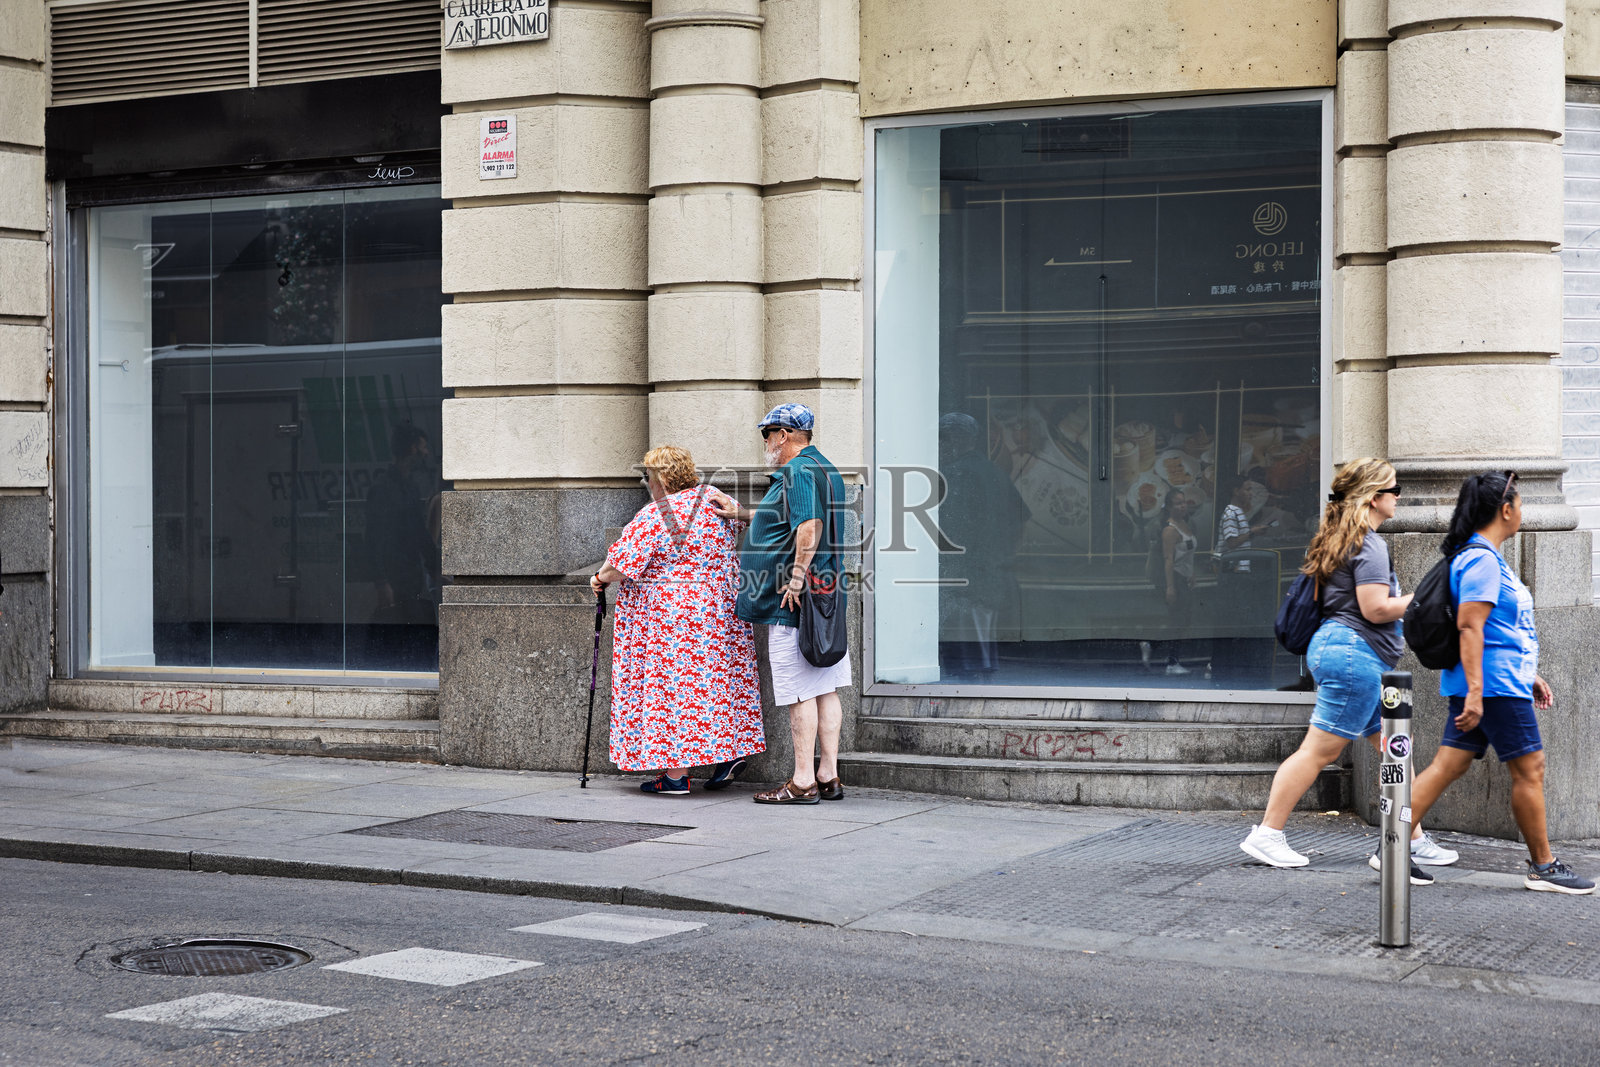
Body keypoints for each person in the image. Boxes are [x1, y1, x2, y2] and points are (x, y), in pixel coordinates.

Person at [1240, 458, 1441, 883]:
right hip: (1354, 658)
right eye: (1394, 488)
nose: (1399, 495)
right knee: (1319, 751)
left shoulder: (1340, 537)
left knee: (1392, 747)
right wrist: (1425, 599)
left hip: (1347, 654)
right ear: (1374, 497)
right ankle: (1268, 832)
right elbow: (1375, 608)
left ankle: (1413, 835)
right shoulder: (1368, 544)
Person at [1406, 471, 1594, 894]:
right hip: (1491, 689)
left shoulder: (1482, 556)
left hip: (1495, 683)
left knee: (1446, 766)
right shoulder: (1482, 560)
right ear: (1505, 510)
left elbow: (1498, 632)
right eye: (1521, 505)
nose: (1523, 512)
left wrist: (1529, 675)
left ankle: (1393, 843)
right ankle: (1544, 867)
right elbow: (1471, 627)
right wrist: (1477, 693)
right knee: (1530, 769)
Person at [590, 446, 764, 796]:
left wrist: (598, 578)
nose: (646, 484)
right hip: (721, 613)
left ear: (663, 479)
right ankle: (729, 753)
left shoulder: (657, 514)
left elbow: (620, 565)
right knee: (719, 681)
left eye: (648, 477)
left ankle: (675, 776)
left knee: (674, 689)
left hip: (674, 622)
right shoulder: (715, 498)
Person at [712, 403, 851, 805]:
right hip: (825, 594)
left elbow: (808, 526)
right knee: (826, 686)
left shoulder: (795, 471)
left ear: (784, 434)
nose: (767, 442)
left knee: (799, 692)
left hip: (794, 600)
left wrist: (794, 576)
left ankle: (803, 781)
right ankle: (829, 775)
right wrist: (745, 513)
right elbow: (791, 516)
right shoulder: (822, 467)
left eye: (767, 434)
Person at [1157, 488, 1198, 676]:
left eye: (1184, 501)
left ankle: (1166, 656)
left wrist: (1192, 574)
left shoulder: (1184, 524)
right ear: (1170, 507)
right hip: (1176, 579)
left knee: (1185, 620)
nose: (1183, 506)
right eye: (1178, 503)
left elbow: (1187, 555)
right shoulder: (1170, 530)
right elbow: (1168, 560)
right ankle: (1171, 663)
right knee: (1178, 621)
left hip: (1185, 579)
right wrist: (1170, 587)